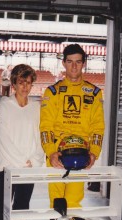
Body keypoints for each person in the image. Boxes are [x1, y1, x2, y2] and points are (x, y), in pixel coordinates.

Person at [40, 43, 105, 208]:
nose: (74, 66)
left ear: (84, 63)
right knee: (56, 204)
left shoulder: (94, 93)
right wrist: (51, 152)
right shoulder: (52, 92)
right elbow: (45, 127)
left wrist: (94, 153)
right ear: (63, 63)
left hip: (82, 153)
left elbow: (98, 128)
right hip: (57, 154)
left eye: (78, 61)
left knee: (74, 203)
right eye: (70, 61)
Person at [0, 64, 44, 220]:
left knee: (22, 208)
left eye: (29, 83)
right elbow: (3, 140)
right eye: (21, 82)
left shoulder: (36, 108)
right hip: (6, 167)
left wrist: (35, 161)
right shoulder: (4, 106)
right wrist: (23, 162)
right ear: (14, 83)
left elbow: (40, 138)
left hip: (28, 170)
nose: (25, 86)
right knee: (2, 208)